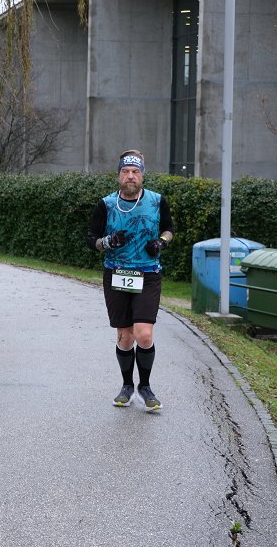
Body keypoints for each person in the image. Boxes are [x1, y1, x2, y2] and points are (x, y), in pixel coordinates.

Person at [86, 149, 175, 410]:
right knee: (125, 337)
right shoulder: (106, 204)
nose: (130, 176)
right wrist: (107, 242)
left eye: (135, 172)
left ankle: (145, 387)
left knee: (144, 334)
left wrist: (161, 242)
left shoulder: (157, 201)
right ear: (118, 176)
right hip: (116, 273)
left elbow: (169, 229)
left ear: (142, 175)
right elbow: (91, 238)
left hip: (147, 274)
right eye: (125, 171)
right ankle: (127, 386)